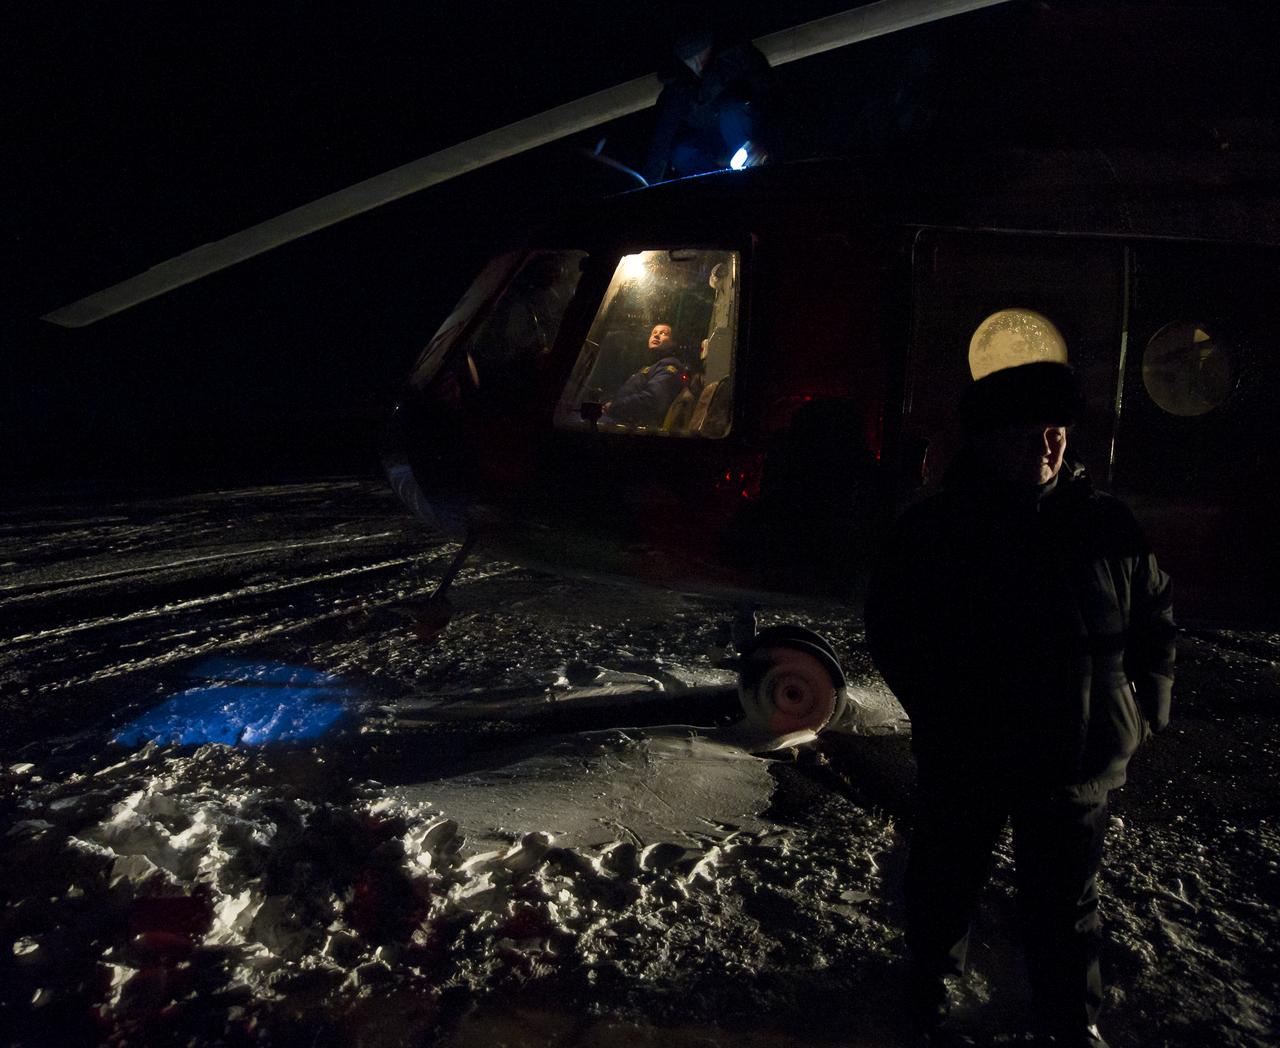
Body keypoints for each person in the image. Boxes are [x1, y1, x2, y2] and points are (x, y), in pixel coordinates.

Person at [864, 362, 1176, 1048]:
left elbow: (1155, 614)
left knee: (1067, 900)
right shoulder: (939, 529)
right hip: (972, 753)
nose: (1048, 445)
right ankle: (929, 990)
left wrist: (1145, 707)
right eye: (1029, 433)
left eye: (1056, 430)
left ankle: (1068, 1015)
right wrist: (942, 712)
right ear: (986, 442)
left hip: (1076, 757)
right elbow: (894, 628)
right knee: (946, 879)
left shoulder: (1105, 524)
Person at [641, 25, 775, 184]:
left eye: (700, 54)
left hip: (746, 135)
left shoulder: (740, 58)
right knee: (681, 154)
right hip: (715, 148)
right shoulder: (678, 88)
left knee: (730, 110)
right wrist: (650, 185)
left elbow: (770, 97)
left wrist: (763, 140)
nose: (697, 63)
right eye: (690, 59)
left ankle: (753, 169)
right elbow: (662, 140)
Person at [602, 323, 694, 427]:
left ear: (673, 343)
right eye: (654, 333)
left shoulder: (669, 366)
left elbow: (652, 400)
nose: (656, 335)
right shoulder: (653, 365)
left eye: (664, 333)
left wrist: (614, 407)